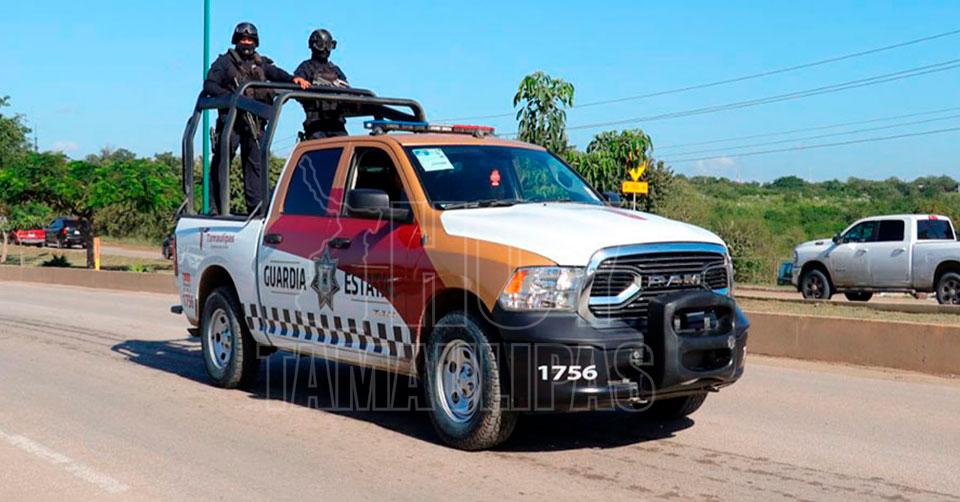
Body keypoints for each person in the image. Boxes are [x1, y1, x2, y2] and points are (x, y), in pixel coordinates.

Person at [203, 22, 310, 215]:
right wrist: (233, 98)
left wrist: (293, 79)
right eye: (243, 39)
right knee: (222, 161)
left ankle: (257, 209)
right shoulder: (225, 62)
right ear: (236, 40)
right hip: (231, 122)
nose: (246, 43)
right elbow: (210, 85)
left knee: (256, 165)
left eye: (250, 39)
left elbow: (276, 73)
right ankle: (216, 208)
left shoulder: (261, 63)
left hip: (255, 123)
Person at [294, 29, 350, 140]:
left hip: (336, 123)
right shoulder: (306, 67)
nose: (325, 49)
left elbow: (347, 89)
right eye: (321, 45)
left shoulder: (335, 69)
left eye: (328, 46)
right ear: (313, 46)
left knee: (346, 146)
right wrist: (300, 82)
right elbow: (297, 83)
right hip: (316, 124)